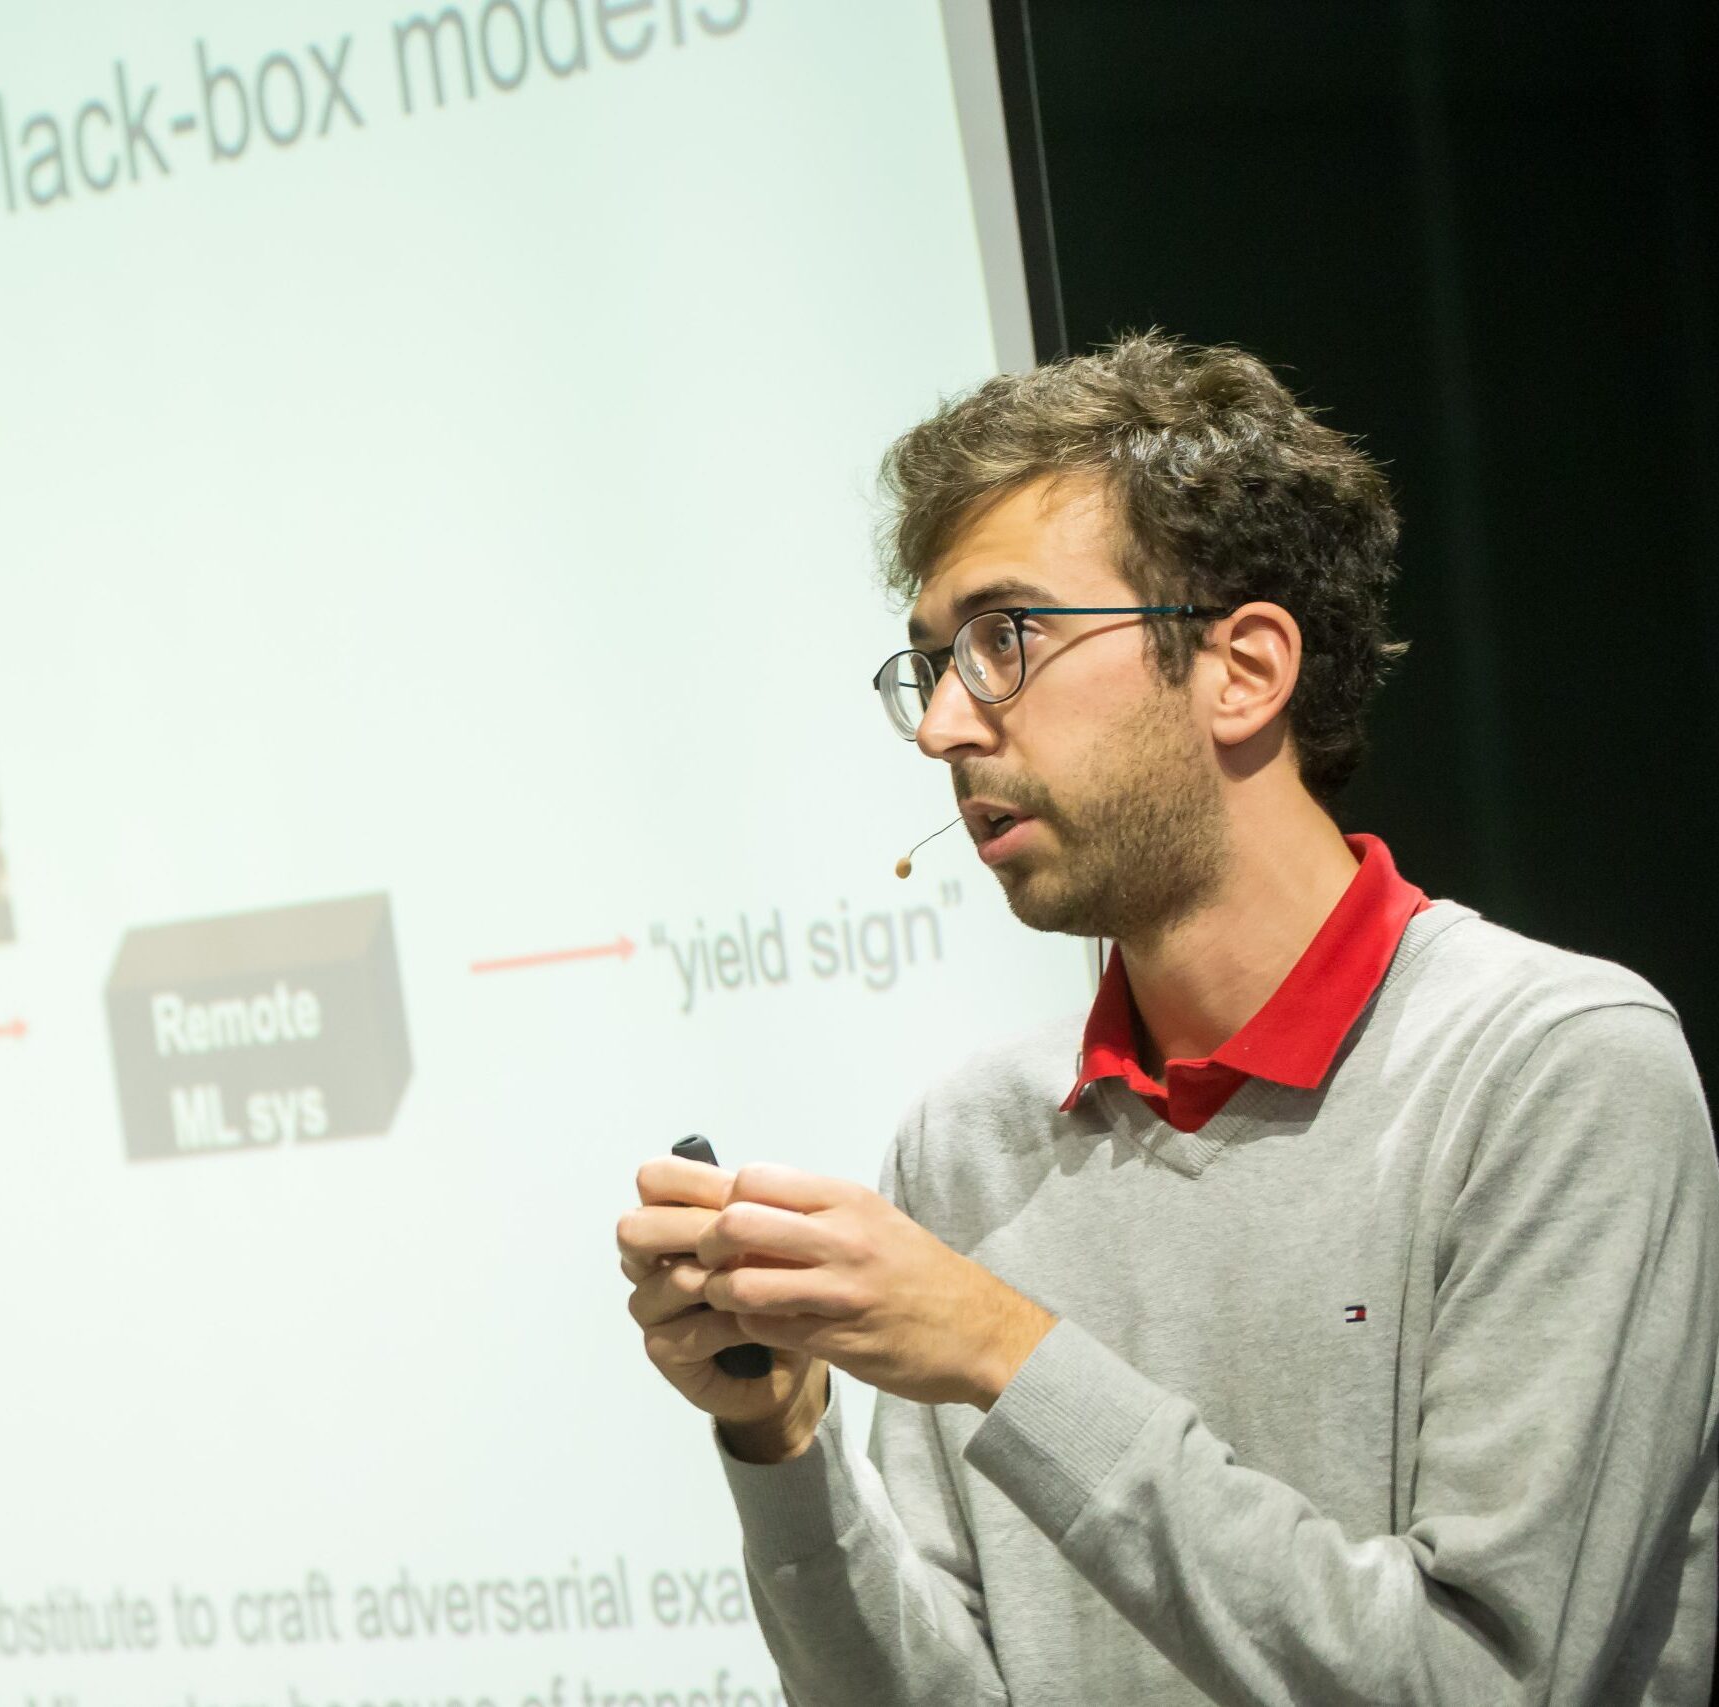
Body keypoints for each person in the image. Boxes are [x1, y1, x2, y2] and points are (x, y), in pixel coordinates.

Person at [615, 333, 1719, 1705]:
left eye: (1003, 640)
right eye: (930, 664)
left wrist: (1006, 1356)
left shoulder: (1553, 1070)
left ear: (1241, 669)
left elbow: (1485, 1682)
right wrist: (780, 1448)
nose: (942, 726)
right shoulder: (970, 1142)